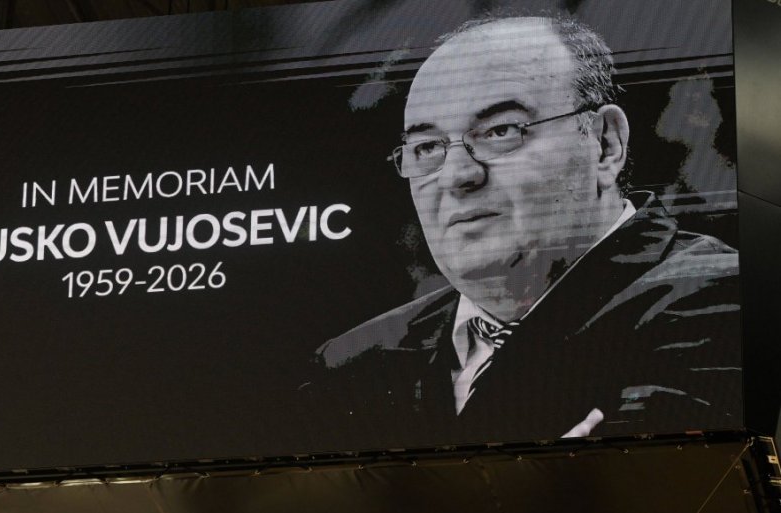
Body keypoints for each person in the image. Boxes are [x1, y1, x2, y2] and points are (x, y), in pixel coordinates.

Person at [302, 13, 741, 445]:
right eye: (427, 147)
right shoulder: (350, 360)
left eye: (501, 131)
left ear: (605, 144)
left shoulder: (720, 295)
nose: (456, 175)